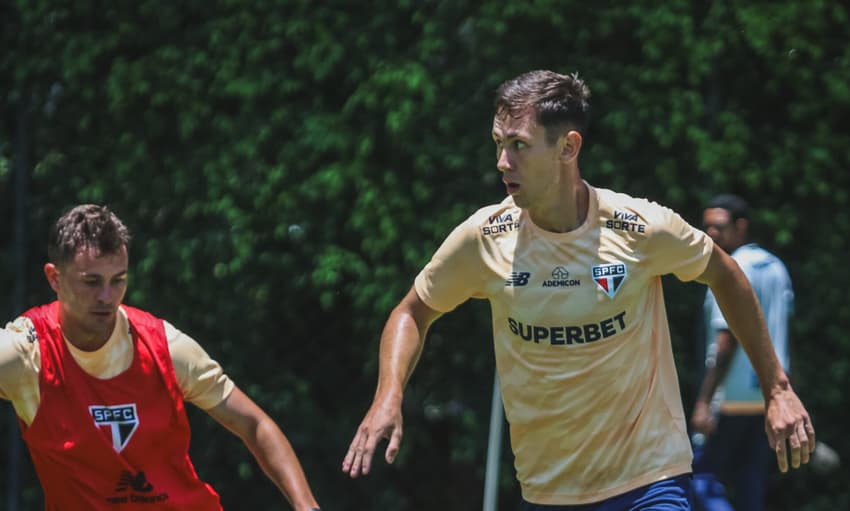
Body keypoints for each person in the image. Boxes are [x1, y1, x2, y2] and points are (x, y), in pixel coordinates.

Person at [341, 70, 815, 510]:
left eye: (519, 145)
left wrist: (777, 387)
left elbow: (725, 274)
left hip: (650, 478)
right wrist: (388, 396)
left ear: (568, 148)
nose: (502, 162)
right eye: (498, 143)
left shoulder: (640, 228)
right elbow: (411, 313)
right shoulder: (483, 238)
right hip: (550, 489)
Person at [0, 204, 321, 510]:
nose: (106, 297)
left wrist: (308, 508)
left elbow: (255, 424)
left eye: (118, 280)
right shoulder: (28, 354)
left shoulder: (164, 346)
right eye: (92, 281)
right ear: (54, 278)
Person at [690, 194, 801, 510]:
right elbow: (786, 335)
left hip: (731, 397)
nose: (711, 235)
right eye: (707, 227)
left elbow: (727, 340)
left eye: (719, 228)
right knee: (752, 479)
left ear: (741, 227)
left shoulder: (730, 269)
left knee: (701, 476)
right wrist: (789, 390)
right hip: (767, 397)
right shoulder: (776, 267)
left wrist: (703, 400)